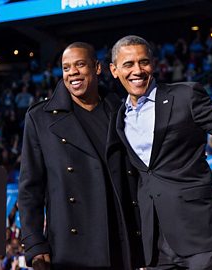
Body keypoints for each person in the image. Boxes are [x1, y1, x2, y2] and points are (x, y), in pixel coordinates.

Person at [109, 35, 212, 270]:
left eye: (143, 62)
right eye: (128, 64)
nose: (137, 70)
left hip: (202, 231)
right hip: (156, 240)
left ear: (153, 64)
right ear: (114, 70)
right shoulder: (119, 117)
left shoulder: (185, 96)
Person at [18, 42, 142, 270]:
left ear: (96, 67)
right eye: (66, 68)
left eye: (80, 65)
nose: (72, 72)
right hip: (70, 248)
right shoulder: (40, 119)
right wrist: (34, 244)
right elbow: (30, 189)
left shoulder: (122, 110)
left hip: (122, 241)